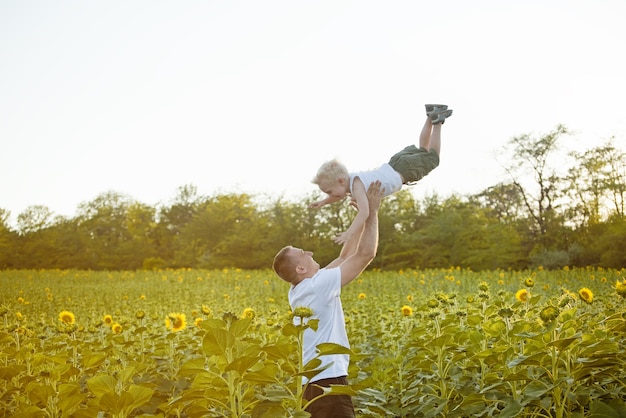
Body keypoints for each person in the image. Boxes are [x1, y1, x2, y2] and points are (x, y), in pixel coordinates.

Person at [272, 180, 384, 418]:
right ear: (301, 269)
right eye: (304, 254)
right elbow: (365, 254)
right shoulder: (318, 285)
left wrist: (360, 221)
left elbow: (345, 256)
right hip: (328, 382)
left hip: (311, 384)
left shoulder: (301, 289)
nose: (310, 253)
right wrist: (372, 212)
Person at [310, 104, 453, 244]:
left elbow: (364, 212)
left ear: (341, 181)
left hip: (405, 170)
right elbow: (338, 195)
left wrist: (349, 233)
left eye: (330, 192)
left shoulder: (357, 186)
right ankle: (430, 115)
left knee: (433, 157)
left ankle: (437, 122)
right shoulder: (351, 181)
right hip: (396, 162)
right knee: (423, 149)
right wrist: (324, 202)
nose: (331, 196)